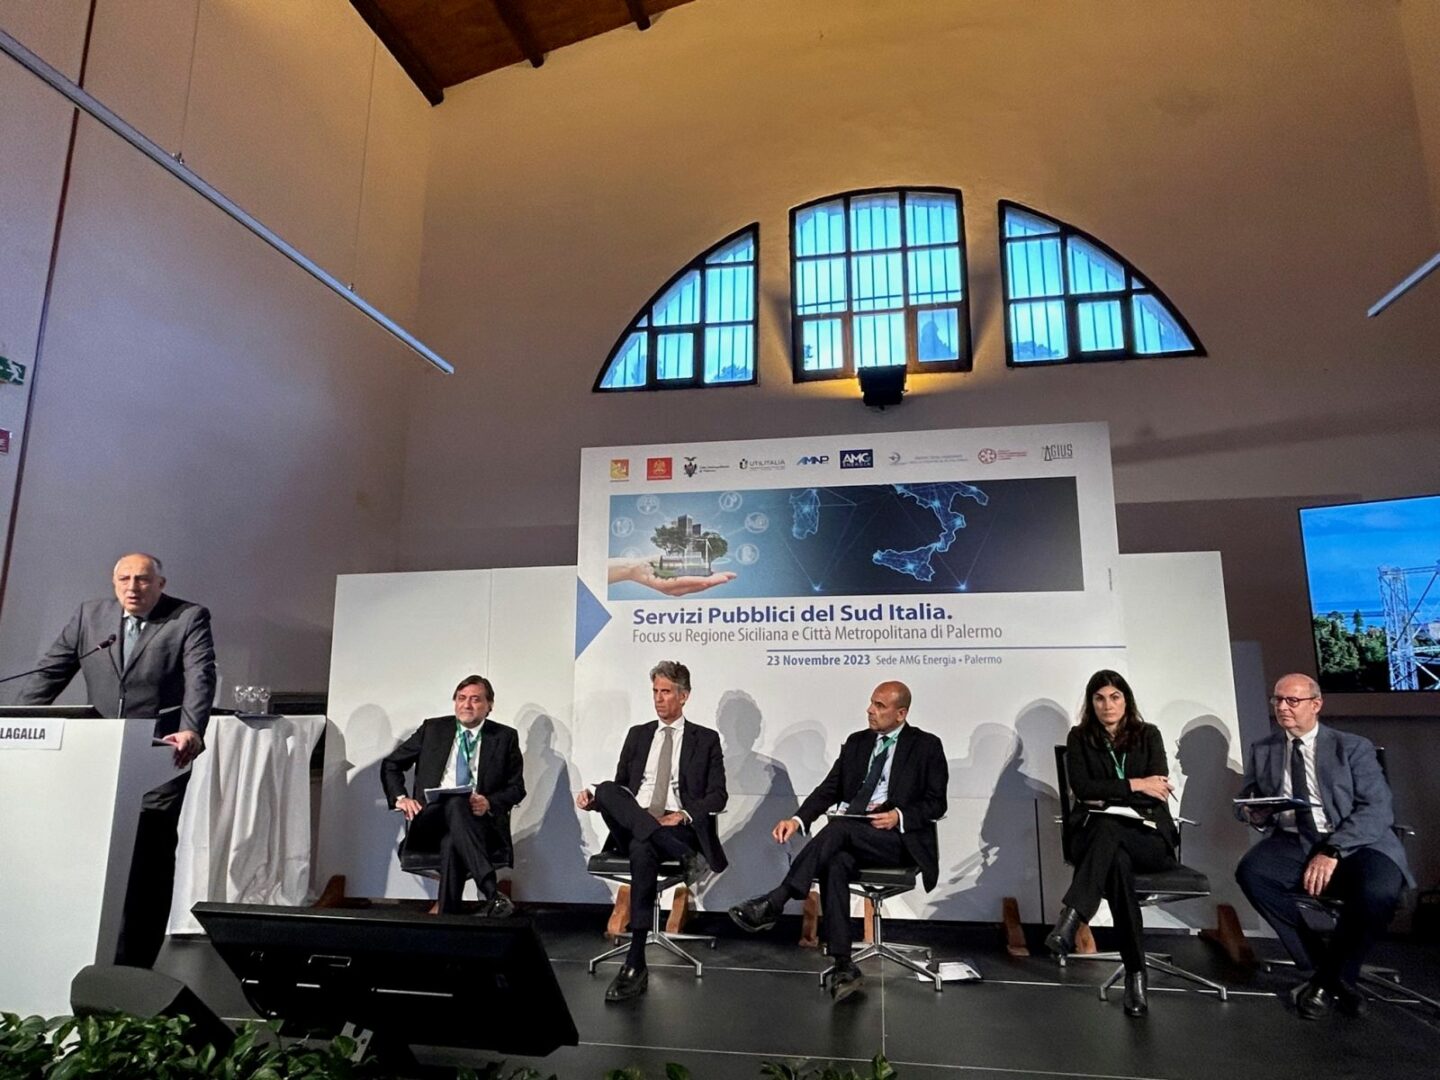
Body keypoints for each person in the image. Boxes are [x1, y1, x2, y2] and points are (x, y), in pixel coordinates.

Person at [12, 552, 216, 967]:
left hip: (161, 754)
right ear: (113, 582)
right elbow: (49, 673)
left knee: (147, 853)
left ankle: (136, 963)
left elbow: (201, 676)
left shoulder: (187, 618)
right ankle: (80, 951)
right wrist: (12, 723)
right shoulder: (90, 617)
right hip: (98, 756)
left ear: (160, 584)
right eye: (124, 579)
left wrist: (192, 729)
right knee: (91, 854)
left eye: (142, 579)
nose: (132, 588)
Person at [728, 680, 947, 1003]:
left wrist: (898, 815)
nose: (870, 711)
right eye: (871, 703)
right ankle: (844, 965)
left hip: (896, 841)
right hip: (855, 834)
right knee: (836, 861)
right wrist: (797, 820)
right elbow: (828, 789)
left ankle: (777, 900)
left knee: (840, 829)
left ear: (901, 714)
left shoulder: (926, 746)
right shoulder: (858, 743)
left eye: (880, 706)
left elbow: (936, 803)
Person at [1234, 673, 1412, 1019]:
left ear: (1316, 705)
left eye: (1292, 701)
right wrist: (1252, 812)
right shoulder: (1264, 749)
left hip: (1358, 841)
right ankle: (1326, 969)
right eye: (1277, 700)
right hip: (1296, 839)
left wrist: (1333, 850)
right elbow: (1248, 798)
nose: (1282, 707)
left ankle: (1326, 981)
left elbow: (1377, 809)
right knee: (1252, 872)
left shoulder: (1352, 747)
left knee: (1378, 892)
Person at [576, 660, 727, 1002]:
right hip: (636, 821)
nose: (658, 699)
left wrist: (683, 814)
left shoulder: (705, 740)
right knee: (606, 789)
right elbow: (621, 790)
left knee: (642, 848)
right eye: (655, 691)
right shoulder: (638, 734)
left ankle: (635, 961)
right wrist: (594, 802)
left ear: (684, 696)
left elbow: (718, 795)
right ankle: (674, 852)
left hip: (675, 827)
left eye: (666, 692)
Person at [1045, 670, 1177, 1018]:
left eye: (1115, 697)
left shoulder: (1148, 735)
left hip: (1148, 837)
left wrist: (1118, 790)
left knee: (1108, 828)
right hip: (1099, 838)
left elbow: (1157, 791)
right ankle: (1136, 974)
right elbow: (1083, 788)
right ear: (1091, 703)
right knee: (1114, 854)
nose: (1108, 705)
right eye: (1100, 698)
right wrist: (1136, 784)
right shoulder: (1080, 738)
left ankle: (1073, 916)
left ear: (1126, 700)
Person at [381, 675, 525, 916]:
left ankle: (447, 917)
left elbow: (516, 788)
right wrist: (401, 799)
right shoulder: (433, 729)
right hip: (430, 822)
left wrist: (488, 802)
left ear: (489, 705)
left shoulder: (504, 737)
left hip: (478, 823)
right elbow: (391, 765)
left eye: (475, 699)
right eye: (461, 698)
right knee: (456, 802)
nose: (467, 705)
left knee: (451, 842)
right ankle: (491, 891)